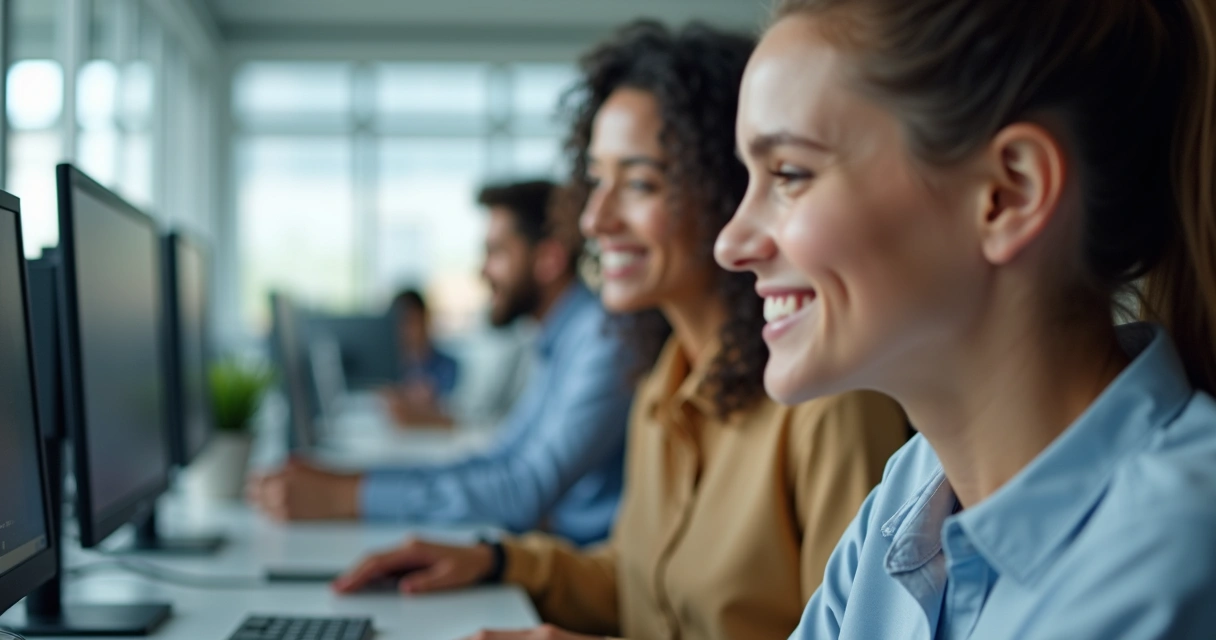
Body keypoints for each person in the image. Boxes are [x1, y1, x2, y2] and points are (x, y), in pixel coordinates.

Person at [332, 21, 908, 640]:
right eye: (597, 181)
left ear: (727, 190)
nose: (594, 218)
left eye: (638, 184)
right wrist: (498, 560)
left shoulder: (831, 403)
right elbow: (641, 582)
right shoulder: (666, 381)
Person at [714, 0, 1216, 638]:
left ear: (1009, 195)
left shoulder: (1172, 555)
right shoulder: (916, 485)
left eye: (789, 174)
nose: (730, 243)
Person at [246, 179, 632, 547]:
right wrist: (351, 482)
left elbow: (523, 492)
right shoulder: (560, 341)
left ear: (548, 258)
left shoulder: (601, 338)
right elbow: (499, 460)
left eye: (497, 252)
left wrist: (346, 498)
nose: (482, 271)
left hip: (581, 574)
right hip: (549, 553)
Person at [379, 289, 460, 427]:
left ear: (425, 319)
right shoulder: (387, 369)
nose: (406, 331)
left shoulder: (449, 366)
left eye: (411, 321)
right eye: (400, 324)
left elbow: (452, 415)